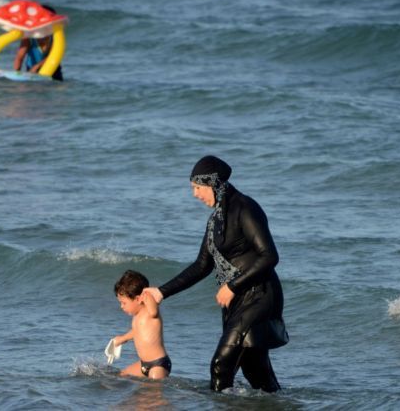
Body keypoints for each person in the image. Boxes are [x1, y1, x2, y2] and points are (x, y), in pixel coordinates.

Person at [143, 155, 288, 393]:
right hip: (237, 301)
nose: (195, 194)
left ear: (214, 183)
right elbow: (202, 265)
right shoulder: (215, 220)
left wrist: (232, 286)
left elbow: (269, 256)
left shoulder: (246, 209)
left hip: (260, 296)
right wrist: (161, 292)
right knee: (256, 372)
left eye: (197, 187)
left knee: (221, 365)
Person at [113, 269, 171, 379]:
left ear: (138, 299)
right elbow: (137, 332)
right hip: (143, 364)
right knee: (122, 375)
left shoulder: (150, 311)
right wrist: (122, 338)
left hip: (158, 365)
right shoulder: (137, 317)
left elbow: (154, 311)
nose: (121, 306)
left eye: (124, 303)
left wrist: (148, 295)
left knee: (153, 391)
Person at [13, 4, 63, 81]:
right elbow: (20, 57)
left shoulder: (55, 36)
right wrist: (16, 74)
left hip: (53, 70)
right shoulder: (29, 36)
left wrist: (37, 66)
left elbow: (52, 55)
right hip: (32, 71)